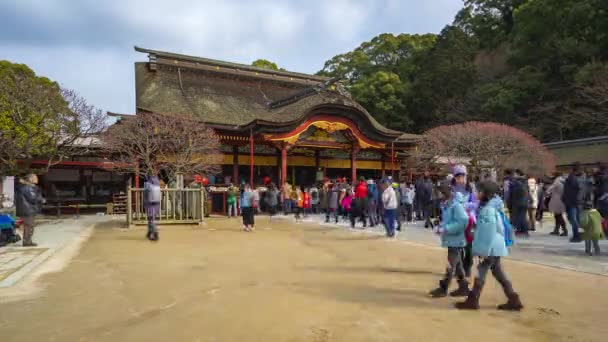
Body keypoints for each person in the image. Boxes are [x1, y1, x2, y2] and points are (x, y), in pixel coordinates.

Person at [455, 181, 523, 311]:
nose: (476, 193)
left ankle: (473, 300)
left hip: (489, 247)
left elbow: (488, 232)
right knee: (498, 272)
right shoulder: (491, 208)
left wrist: (483, 252)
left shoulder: (487, 210)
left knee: (482, 271)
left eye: (479, 191)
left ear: (485, 194)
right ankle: (513, 299)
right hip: (495, 246)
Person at [428, 182, 470, 298]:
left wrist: (445, 229)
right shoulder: (447, 205)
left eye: (439, 192)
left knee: (450, 265)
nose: (438, 195)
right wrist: (440, 226)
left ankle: (444, 287)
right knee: (457, 265)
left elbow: (463, 220)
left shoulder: (455, 205)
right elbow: (449, 220)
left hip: (456, 240)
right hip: (452, 239)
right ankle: (463, 287)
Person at [450, 165, 478, 278]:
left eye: (462, 176)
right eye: (458, 176)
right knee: (457, 247)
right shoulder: (451, 188)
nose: (460, 179)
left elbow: (476, 204)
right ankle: (459, 269)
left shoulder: (471, 188)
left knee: (469, 248)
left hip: (470, 220)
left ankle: (468, 266)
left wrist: (464, 205)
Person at [15, 174, 44, 247]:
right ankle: (27, 242)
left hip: (25, 209)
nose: (37, 179)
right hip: (28, 209)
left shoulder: (25, 187)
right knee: (29, 226)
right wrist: (41, 199)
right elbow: (33, 199)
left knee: (28, 226)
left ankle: (27, 241)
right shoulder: (28, 188)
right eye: (35, 177)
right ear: (31, 179)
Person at [563, 163, 587, 242]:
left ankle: (577, 236)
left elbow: (567, 191)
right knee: (576, 219)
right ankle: (579, 234)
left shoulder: (572, 178)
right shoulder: (584, 178)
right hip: (579, 202)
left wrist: (565, 199)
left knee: (573, 219)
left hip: (572, 202)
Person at [508, 170, 530, 236]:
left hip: (518, 201)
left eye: (514, 174)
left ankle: (521, 230)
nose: (513, 175)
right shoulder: (525, 181)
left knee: (519, 217)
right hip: (525, 201)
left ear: (518, 174)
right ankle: (524, 230)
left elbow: (513, 193)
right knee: (523, 216)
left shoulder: (515, 182)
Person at [143, 175, 161, 241]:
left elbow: (146, 195)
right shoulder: (157, 182)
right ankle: (149, 232)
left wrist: (145, 204)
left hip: (150, 204)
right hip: (156, 204)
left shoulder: (147, 184)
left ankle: (155, 233)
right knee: (151, 219)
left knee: (151, 219)